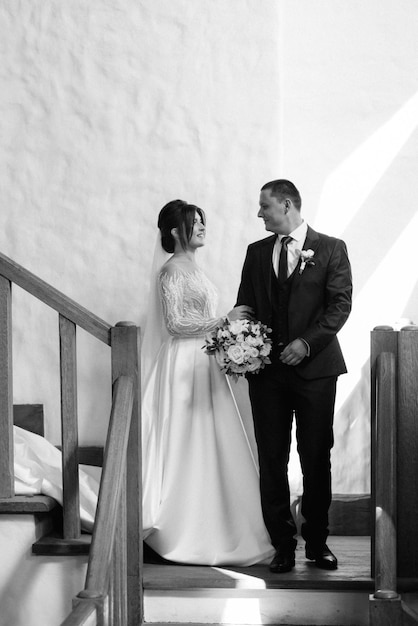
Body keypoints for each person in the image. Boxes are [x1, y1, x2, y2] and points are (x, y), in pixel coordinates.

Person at [141, 199, 274, 566]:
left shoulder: (194, 268)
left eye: (202, 220)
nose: (202, 226)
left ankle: (223, 523)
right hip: (184, 363)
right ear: (174, 231)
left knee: (215, 439)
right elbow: (174, 324)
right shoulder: (170, 271)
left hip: (205, 360)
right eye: (194, 222)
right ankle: (185, 527)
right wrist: (223, 321)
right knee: (189, 439)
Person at [236, 179, 352, 573]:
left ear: (286, 205)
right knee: (272, 458)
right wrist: (239, 344)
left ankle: (317, 543)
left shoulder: (332, 248)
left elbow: (340, 305)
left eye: (264, 206)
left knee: (316, 457)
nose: (259, 214)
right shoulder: (255, 253)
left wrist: (306, 343)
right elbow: (245, 305)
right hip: (266, 375)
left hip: (316, 372)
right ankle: (282, 543)